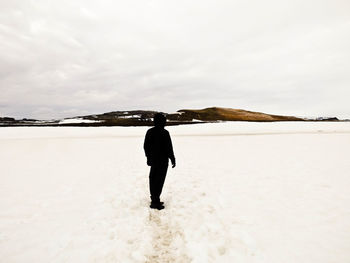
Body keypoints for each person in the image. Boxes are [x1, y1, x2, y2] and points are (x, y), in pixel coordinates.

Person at [144, 113, 176, 210]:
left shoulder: (150, 132)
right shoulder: (165, 133)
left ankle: (154, 198)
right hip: (162, 161)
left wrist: (148, 158)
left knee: (153, 179)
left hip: (154, 160)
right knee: (159, 180)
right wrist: (172, 158)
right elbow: (169, 148)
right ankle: (155, 201)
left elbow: (146, 147)